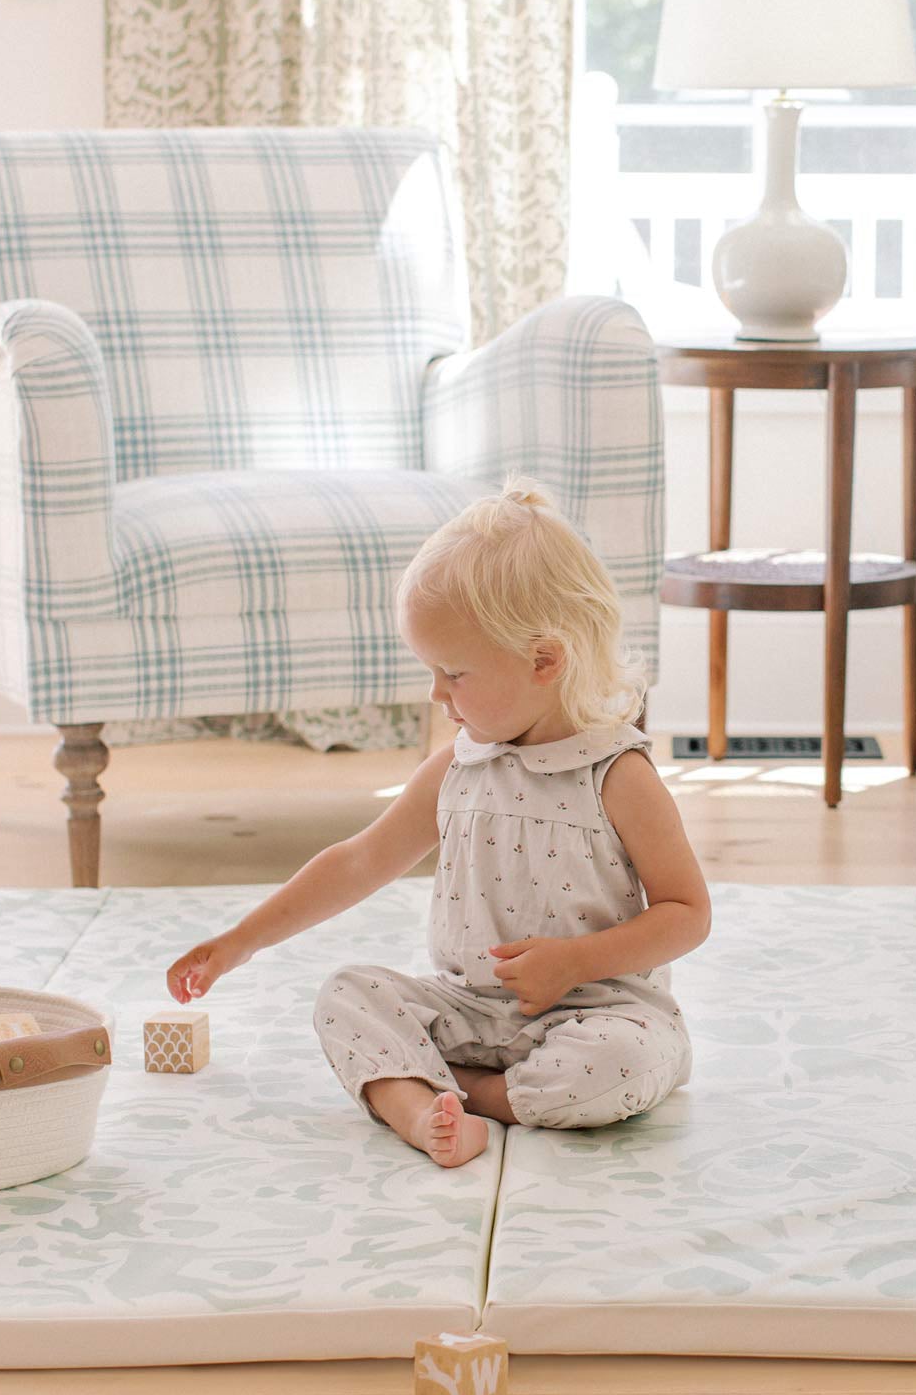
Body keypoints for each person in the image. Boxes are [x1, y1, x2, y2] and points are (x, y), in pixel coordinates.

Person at [165, 475, 710, 1167]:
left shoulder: (617, 775)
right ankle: (427, 1113)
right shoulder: (459, 766)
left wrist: (575, 962)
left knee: (625, 1063)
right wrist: (240, 941)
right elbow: (361, 861)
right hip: (470, 1011)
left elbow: (687, 912)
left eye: (453, 673)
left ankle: (467, 1095)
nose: (435, 694)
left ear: (544, 661)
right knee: (349, 996)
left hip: (598, 1013)